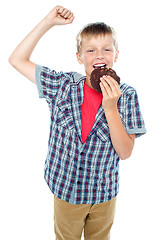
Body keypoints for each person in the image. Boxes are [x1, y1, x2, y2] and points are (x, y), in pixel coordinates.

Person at [8, 6, 146, 240]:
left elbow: (125, 152)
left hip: (104, 194)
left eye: (106, 49)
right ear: (79, 57)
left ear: (116, 55)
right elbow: (17, 60)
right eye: (91, 50)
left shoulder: (128, 95)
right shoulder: (62, 86)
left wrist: (110, 108)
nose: (99, 55)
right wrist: (47, 22)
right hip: (66, 191)